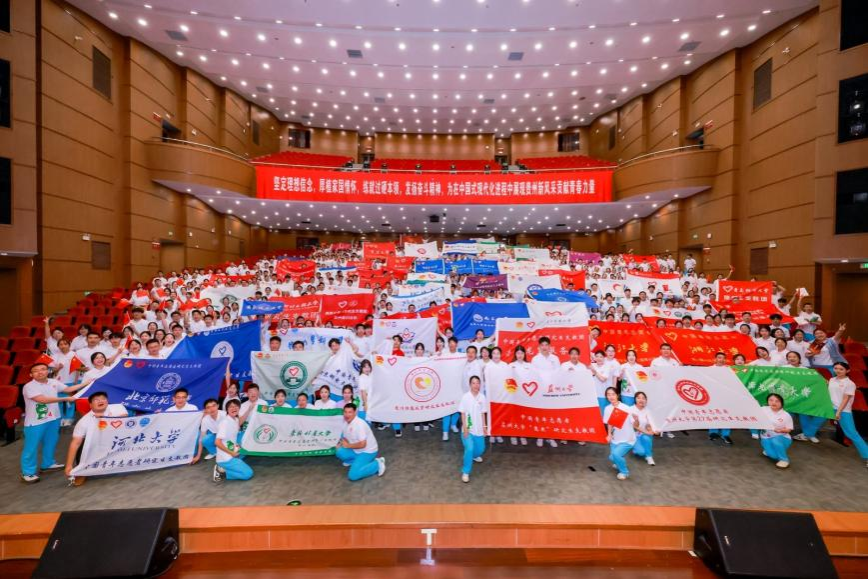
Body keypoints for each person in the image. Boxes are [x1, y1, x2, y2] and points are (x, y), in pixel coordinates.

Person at [20, 363, 88, 483]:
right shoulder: (29, 386)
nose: (40, 372)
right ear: (31, 374)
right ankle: (27, 472)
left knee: (50, 443)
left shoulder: (53, 382)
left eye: (43, 369)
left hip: (53, 419)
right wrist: (65, 398)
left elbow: (68, 389)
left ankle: (48, 464)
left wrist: (87, 382)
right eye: (36, 371)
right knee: (31, 447)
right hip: (35, 422)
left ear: (48, 371)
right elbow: (42, 400)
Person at [64, 391, 128, 486]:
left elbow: (125, 417)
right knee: (82, 445)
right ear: (90, 405)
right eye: (96, 400)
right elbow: (75, 443)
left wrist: (104, 417)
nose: (100, 401)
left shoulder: (117, 407)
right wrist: (69, 465)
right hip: (98, 444)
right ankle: (81, 471)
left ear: (107, 401)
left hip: (119, 439)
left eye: (103, 399)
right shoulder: (84, 421)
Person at [827, 362, 868, 467]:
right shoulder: (832, 380)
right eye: (836, 368)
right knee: (817, 418)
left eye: (841, 369)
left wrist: (838, 412)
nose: (838, 371)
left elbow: (845, 399)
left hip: (843, 411)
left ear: (847, 370)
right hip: (829, 408)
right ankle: (808, 433)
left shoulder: (850, 384)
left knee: (851, 433)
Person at [335, 402, 386, 481]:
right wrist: (340, 443)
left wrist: (348, 445)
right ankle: (353, 461)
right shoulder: (345, 423)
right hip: (355, 450)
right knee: (339, 451)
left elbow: (363, 444)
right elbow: (345, 438)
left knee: (353, 476)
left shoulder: (359, 424)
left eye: (350, 412)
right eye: (345, 412)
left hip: (368, 451)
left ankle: (377, 464)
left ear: (355, 412)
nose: (347, 415)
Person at [603, 386, 639, 481]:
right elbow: (609, 423)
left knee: (616, 455)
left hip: (627, 439)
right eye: (608, 394)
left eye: (613, 394)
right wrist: (609, 434)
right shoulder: (607, 408)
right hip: (615, 439)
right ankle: (618, 461)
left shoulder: (626, 408)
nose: (611, 396)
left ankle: (624, 472)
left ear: (617, 395)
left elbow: (635, 425)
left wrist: (636, 420)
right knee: (612, 457)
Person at [213, 399, 253, 482]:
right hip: (225, 457)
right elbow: (217, 442)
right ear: (227, 409)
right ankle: (221, 471)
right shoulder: (224, 422)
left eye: (236, 406)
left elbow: (232, 436)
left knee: (245, 450)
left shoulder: (236, 419)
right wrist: (231, 453)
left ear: (239, 408)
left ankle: (229, 466)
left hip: (232, 450)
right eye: (231, 407)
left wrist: (236, 447)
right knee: (248, 474)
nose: (234, 408)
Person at [459, 375, 488, 483]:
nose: (476, 385)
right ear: (470, 385)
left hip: (479, 429)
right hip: (468, 429)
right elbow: (462, 413)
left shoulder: (482, 397)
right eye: (473, 383)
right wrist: (465, 428)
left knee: (481, 449)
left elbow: (483, 413)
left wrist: (484, 427)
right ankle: (466, 472)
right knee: (470, 448)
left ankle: (473, 456)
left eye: (478, 383)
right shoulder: (465, 397)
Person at [759, 393, 794, 469]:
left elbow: (789, 429)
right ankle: (771, 451)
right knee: (773, 455)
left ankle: (784, 460)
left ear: (781, 403)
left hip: (781, 437)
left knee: (775, 441)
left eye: (777, 401)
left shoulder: (786, 415)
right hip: (765, 437)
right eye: (771, 400)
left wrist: (780, 431)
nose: (773, 403)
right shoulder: (763, 409)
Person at [508, 346, 530, 446]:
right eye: (518, 353)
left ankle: (522, 434)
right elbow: (507, 380)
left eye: (521, 353)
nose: (520, 355)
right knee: (513, 416)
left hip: (525, 395)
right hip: (513, 395)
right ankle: (513, 435)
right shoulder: (511, 365)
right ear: (515, 354)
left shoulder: (529, 365)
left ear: (524, 354)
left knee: (522, 416)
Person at [631, 391, 658, 466]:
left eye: (643, 398)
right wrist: (636, 420)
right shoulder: (630, 409)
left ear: (646, 400)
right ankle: (636, 448)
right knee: (640, 452)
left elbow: (649, 424)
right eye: (638, 398)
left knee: (646, 438)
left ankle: (649, 457)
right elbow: (635, 427)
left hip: (644, 434)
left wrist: (651, 430)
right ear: (635, 399)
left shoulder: (647, 410)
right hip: (634, 435)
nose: (641, 400)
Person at [192, 398, 222, 463]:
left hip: (229, 435)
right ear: (205, 410)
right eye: (208, 407)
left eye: (214, 406)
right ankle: (215, 452)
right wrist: (198, 456)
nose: (212, 409)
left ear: (218, 406)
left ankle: (225, 452)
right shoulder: (205, 419)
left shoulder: (224, 414)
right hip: (217, 435)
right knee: (205, 440)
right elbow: (202, 438)